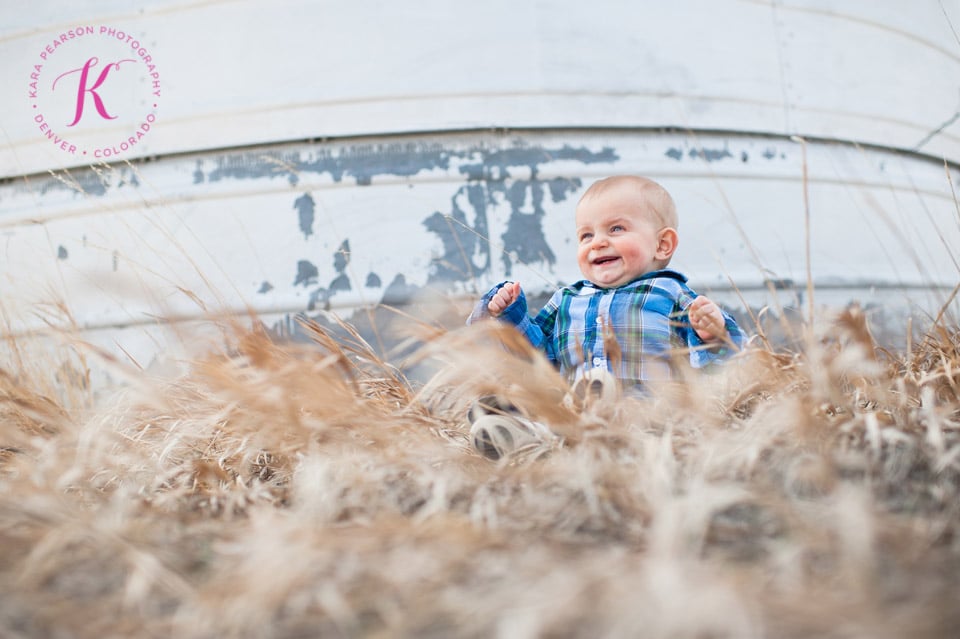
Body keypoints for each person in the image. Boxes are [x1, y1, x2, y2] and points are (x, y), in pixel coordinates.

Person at [465, 175, 747, 459]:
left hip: (648, 416)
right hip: (573, 415)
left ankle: (590, 405)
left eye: (616, 228)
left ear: (662, 244)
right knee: (541, 403)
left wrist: (712, 333)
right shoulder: (566, 300)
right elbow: (539, 359)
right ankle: (516, 433)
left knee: (632, 408)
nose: (597, 242)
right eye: (586, 235)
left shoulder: (670, 294)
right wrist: (510, 315)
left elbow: (728, 360)